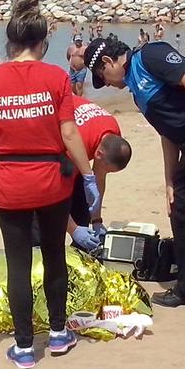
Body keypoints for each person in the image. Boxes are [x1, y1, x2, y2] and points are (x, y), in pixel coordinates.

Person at [0, 0, 99, 369]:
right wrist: (88, 175)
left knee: (17, 263)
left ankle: (24, 347)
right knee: (55, 255)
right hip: (51, 180)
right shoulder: (56, 76)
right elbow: (70, 133)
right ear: (42, 44)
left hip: (9, 180)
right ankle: (57, 334)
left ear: (10, 42)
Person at [85, 32, 185, 333]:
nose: (106, 84)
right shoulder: (137, 92)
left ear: (109, 61)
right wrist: (170, 181)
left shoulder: (150, 56)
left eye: (102, 76)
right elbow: (168, 134)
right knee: (181, 209)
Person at [64, 95, 132, 253]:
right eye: (107, 168)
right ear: (99, 154)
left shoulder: (112, 131)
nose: (104, 172)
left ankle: (79, 252)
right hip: (53, 149)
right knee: (47, 223)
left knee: (82, 211)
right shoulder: (75, 147)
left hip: (82, 139)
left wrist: (96, 219)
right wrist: (73, 229)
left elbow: (99, 177)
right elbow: (52, 197)